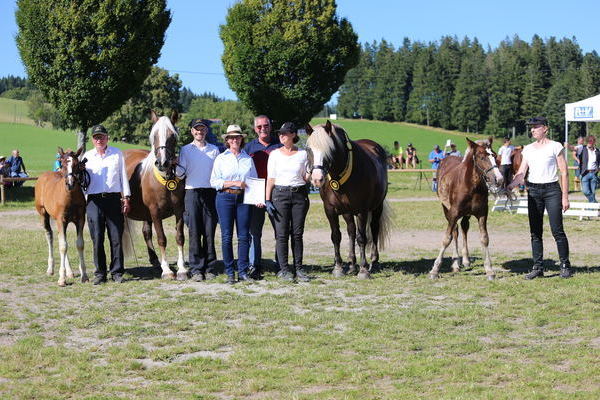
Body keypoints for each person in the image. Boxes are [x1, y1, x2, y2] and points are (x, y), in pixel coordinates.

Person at [508, 116, 572, 279]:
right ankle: (538, 267)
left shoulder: (555, 146)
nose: (532, 130)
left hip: (552, 190)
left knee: (557, 230)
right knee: (535, 232)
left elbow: (564, 172)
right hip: (534, 191)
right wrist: (510, 185)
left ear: (545, 128)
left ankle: (565, 265)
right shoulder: (528, 149)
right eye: (531, 127)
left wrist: (565, 197)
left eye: (535, 127)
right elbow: (521, 173)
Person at [82, 125, 131, 284]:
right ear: (92, 140)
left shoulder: (117, 153)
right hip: (94, 201)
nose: (99, 140)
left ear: (107, 138)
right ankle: (100, 273)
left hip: (113, 199)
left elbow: (123, 176)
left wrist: (127, 197)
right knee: (97, 238)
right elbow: (82, 181)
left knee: (116, 237)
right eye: (96, 137)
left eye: (102, 137)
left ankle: (117, 272)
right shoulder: (87, 157)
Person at [210, 124, 259, 284]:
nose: (234, 140)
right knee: (226, 236)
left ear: (241, 139)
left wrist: (257, 197)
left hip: (243, 199)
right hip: (225, 197)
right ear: (227, 140)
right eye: (231, 137)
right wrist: (234, 183)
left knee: (244, 236)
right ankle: (230, 272)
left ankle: (243, 271)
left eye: (237, 137)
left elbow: (254, 180)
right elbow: (214, 181)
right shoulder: (221, 158)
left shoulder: (248, 159)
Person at [265, 122, 311, 282]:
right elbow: (271, 178)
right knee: (282, 234)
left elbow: (305, 177)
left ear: (293, 135)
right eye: (280, 134)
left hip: (299, 195)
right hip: (280, 195)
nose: (281, 136)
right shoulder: (274, 154)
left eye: (285, 133)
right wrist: (267, 199)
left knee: (297, 234)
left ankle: (299, 268)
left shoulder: (303, 154)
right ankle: (284, 269)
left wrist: (311, 174)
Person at [179, 119, 220, 281]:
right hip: (191, 192)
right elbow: (180, 174)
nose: (199, 132)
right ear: (192, 131)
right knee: (194, 231)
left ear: (206, 131)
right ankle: (196, 268)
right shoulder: (185, 150)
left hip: (210, 192)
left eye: (202, 129)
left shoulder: (214, 150)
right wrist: (174, 166)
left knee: (209, 231)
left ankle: (210, 267)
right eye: (196, 129)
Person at [244, 115, 282, 279]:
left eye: (265, 125)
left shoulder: (280, 146)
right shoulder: (248, 148)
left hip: (277, 194)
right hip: (256, 194)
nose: (263, 129)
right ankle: (254, 264)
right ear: (255, 129)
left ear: (270, 126)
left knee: (280, 232)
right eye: (259, 127)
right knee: (254, 233)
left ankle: (281, 264)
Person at [577, 135, 600, 203]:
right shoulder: (582, 149)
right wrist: (569, 146)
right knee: (586, 191)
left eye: (591, 141)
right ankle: (595, 203)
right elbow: (574, 149)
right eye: (588, 142)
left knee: (592, 192)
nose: (590, 143)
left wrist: (598, 168)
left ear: (594, 142)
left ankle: (591, 209)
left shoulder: (597, 151)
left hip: (594, 173)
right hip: (585, 173)